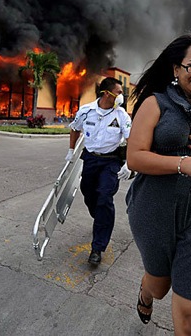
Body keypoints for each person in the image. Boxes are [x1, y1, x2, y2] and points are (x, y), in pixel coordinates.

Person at [125, 30, 191, 335]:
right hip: (154, 208)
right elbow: (135, 158)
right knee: (160, 286)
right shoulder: (155, 103)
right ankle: (146, 293)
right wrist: (185, 164)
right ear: (176, 68)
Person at [66, 77, 132, 266]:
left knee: (104, 197)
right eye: (119, 92)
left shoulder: (122, 116)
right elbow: (74, 129)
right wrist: (71, 151)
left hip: (110, 161)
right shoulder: (86, 111)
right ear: (106, 93)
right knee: (89, 194)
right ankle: (101, 217)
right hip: (90, 159)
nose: (121, 96)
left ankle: (97, 248)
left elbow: (131, 140)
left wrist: (128, 163)